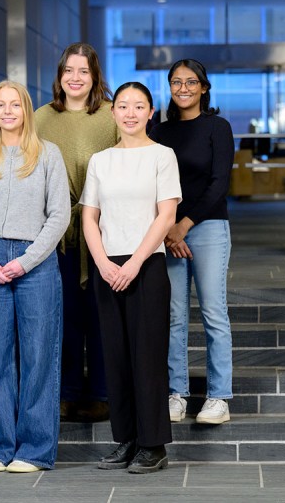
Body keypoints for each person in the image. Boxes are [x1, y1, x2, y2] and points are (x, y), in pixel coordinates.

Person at [0, 80, 69, 473]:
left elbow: (59, 216)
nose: (7, 111)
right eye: (0, 105)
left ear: (26, 111)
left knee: (39, 355)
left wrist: (26, 261)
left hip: (35, 262)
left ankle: (35, 451)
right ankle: (2, 447)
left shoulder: (48, 155)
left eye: (15, 105)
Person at [81, 81, 181, 474]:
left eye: (139, 106)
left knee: (147, 356)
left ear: (151, 112)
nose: (130, 113)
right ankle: (125, 440)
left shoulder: (162, 155)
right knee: (116, 357)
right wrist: (103, 263)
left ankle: (153, 445)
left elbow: (166, 216)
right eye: (123, 106)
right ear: (113, 113)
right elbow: (89, 216)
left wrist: (135, 263)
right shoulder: (100, 160)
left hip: (147, 265)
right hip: (108, 266)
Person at [149, 59, 235, 425]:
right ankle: (177, 393)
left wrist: (184, 224)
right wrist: (168, 228)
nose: (183, 88)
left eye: (190, 82)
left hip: (208, 227)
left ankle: (219, 397)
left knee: (214, 312)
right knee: (174, 315)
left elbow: (219, 183)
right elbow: (153, 184)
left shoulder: (218, 126)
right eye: (175, 82)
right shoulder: (160, 131)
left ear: (203, 87)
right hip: (167, 231)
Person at [35, 42, 117, 422]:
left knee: (100, 315)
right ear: (59, 75)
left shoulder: (110, 117)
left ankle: (100, 391)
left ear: (94, 76)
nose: (75, 78)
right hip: (56, 233)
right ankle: (66, 391)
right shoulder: (40, 118)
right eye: (69, 70)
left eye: (83, 71)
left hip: (103, 229)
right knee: (62, 316)